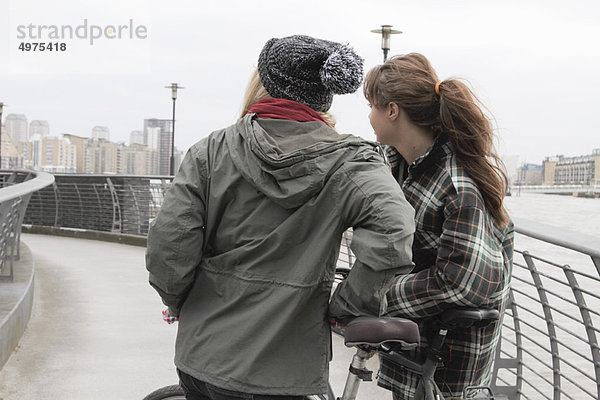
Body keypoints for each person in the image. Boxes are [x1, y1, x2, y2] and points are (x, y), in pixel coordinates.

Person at [145, 35, 416, 400]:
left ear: (267, 82)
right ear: (324, 92)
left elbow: (169, 248)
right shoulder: (352, 163)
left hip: (204, 359)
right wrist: (347, 307)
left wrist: (182, 303)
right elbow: (393, 230)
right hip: (286, 370)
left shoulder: (210, 151)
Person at [362, 53, 514, 399]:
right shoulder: (403, 168)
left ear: (393, 110)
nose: (368, 116)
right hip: (417, 351)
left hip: (446, 369)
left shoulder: (456, 185)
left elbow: (463, 283)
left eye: (372, 105)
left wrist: (379, 294)